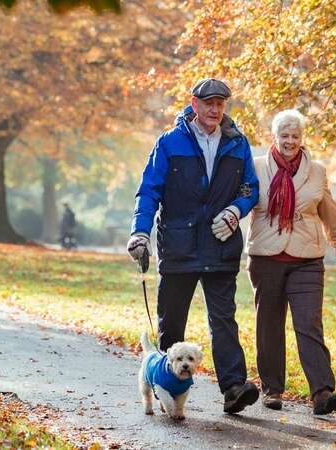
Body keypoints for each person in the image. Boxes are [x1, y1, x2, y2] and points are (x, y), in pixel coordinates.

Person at [127, 78, 261, 414]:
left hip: (220, 245)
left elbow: (250, 189)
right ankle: (166, 385)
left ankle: (233, 388)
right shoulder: (170, 142)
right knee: (171, 323)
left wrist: (235, 211)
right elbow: (149, 191)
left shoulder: (237, 143)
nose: (215, 109)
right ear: (194, 103)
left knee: (224, 321)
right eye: (209, 103)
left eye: (221, 103)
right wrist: (139, 233)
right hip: (179, 246)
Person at [246, 109, 336, 415]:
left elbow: (331, 215)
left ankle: (322, 392)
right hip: (266, 258)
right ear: (275, 137)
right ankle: (272, 390)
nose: (290, 141)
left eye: (295, 136)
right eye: (284, 136)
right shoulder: (255, 168)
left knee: (309, 324)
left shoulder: (317, 171)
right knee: (268, 325)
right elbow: (239, 203)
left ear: (302, 138)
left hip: (307, 259)